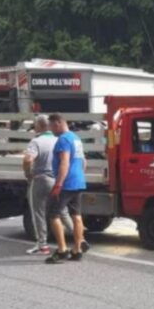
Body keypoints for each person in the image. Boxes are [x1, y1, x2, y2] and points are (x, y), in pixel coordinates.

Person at [22, 115, 75, 255]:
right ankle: (79, 239)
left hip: (40, 179)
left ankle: (42, 245)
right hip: (57, 180)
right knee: (62, 211)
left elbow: (28, 159)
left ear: (39, 126)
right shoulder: (59, 139)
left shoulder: (36, 141)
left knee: (38, 212)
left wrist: (28, 174)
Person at [45, 113, 89, 264]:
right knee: (76, 215)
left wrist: (58, 184)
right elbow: (84, 162)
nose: (51, 130)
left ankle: (62, 250)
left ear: (57, 123)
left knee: (53, 215)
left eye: (51, 126)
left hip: (66, 183)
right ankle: (77, 250)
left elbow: (64, 163)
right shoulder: (76, 138)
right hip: (78, 181)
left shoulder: (63, 139)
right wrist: (79, 175)